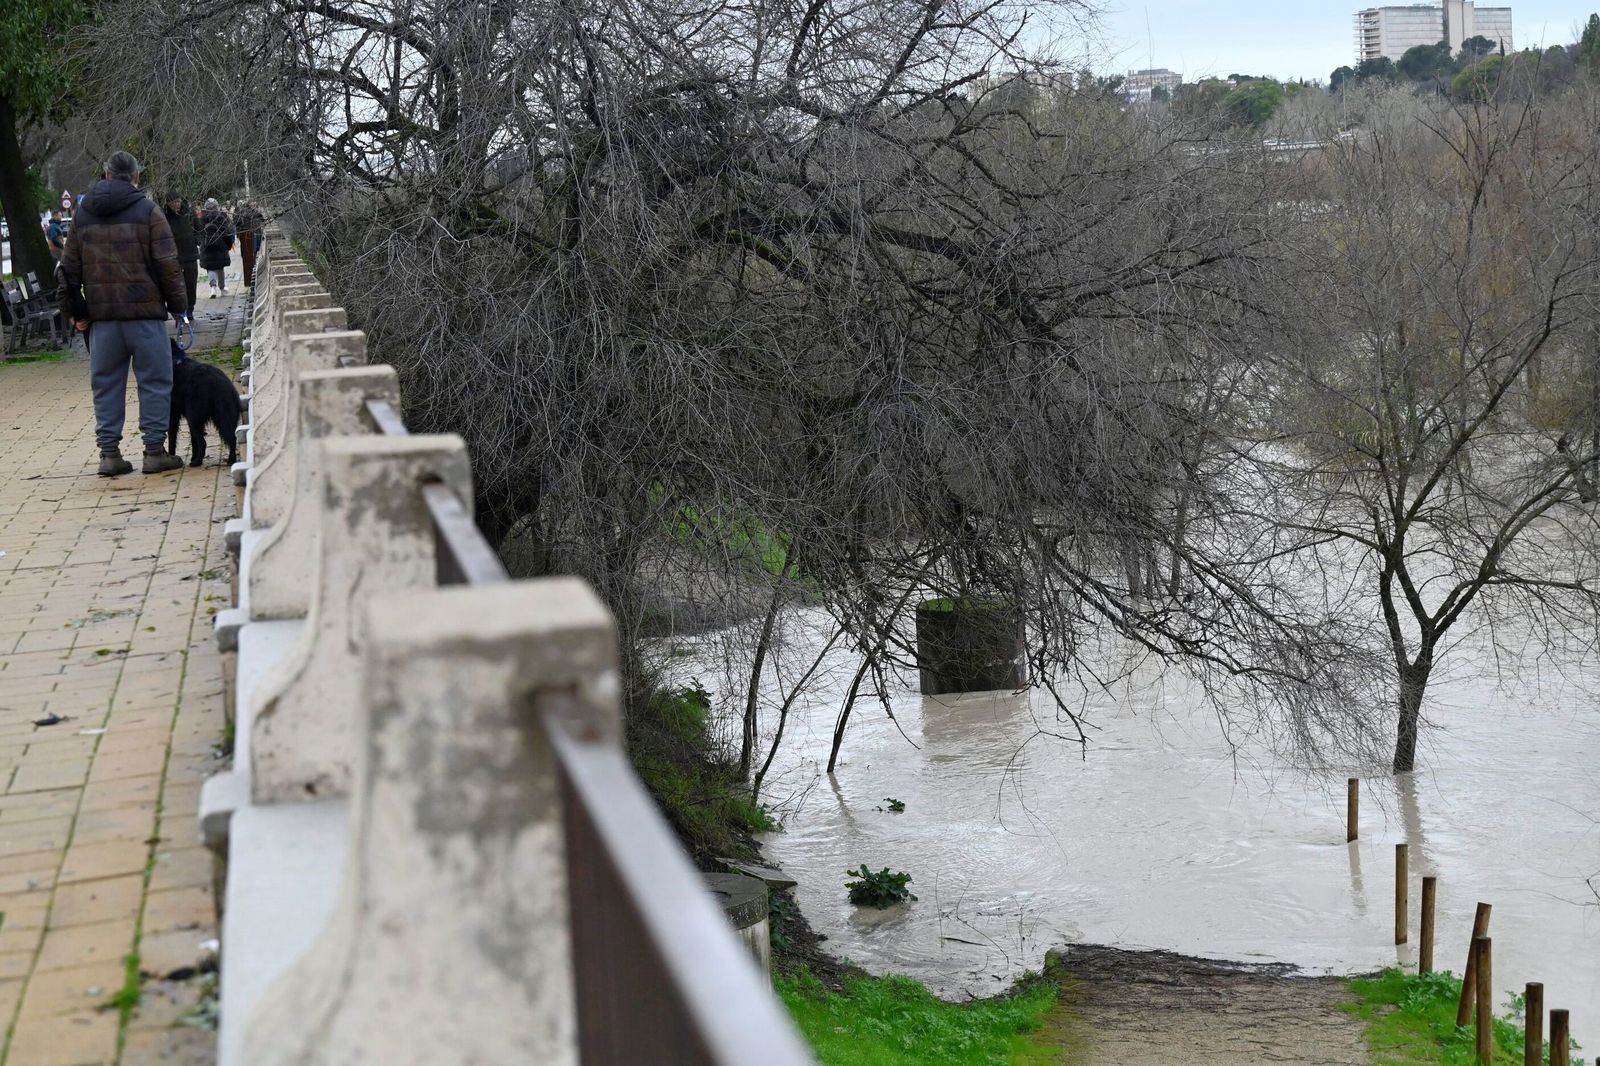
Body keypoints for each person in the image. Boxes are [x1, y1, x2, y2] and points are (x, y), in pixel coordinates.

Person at [57, 150, 187, 476]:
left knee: (106, 385)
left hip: (103, 321)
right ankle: (155, 451)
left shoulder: (83, 214)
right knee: (155, 382)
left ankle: (109, 454)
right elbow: (168, 266)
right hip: (145, 317)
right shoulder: (149, 211)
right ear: (137, 177)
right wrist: (179, 307)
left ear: (106, 175)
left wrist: (75, 312)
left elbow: (68, 270)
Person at [162, 194, 200, 312]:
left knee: (191, 283)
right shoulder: (164, 217)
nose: (176, 204)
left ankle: (190, 308)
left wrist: (196, 240)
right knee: (177, 286)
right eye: (174, 202)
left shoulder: (188, 214)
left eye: (178, 201)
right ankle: (179, 311)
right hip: (174, 257)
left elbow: (199, 229)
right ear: (168, 203)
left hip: (190, 255)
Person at [197, 198, 234, 297]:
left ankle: (212, 288)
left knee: (210, 268)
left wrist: (200, 244)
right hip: (220, 246)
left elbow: (197, 233)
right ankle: (222, 288)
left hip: (206, 247)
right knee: (220, 267)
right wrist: (229, 245)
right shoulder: (222, 216)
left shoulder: (201, 218)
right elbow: (228, 231)